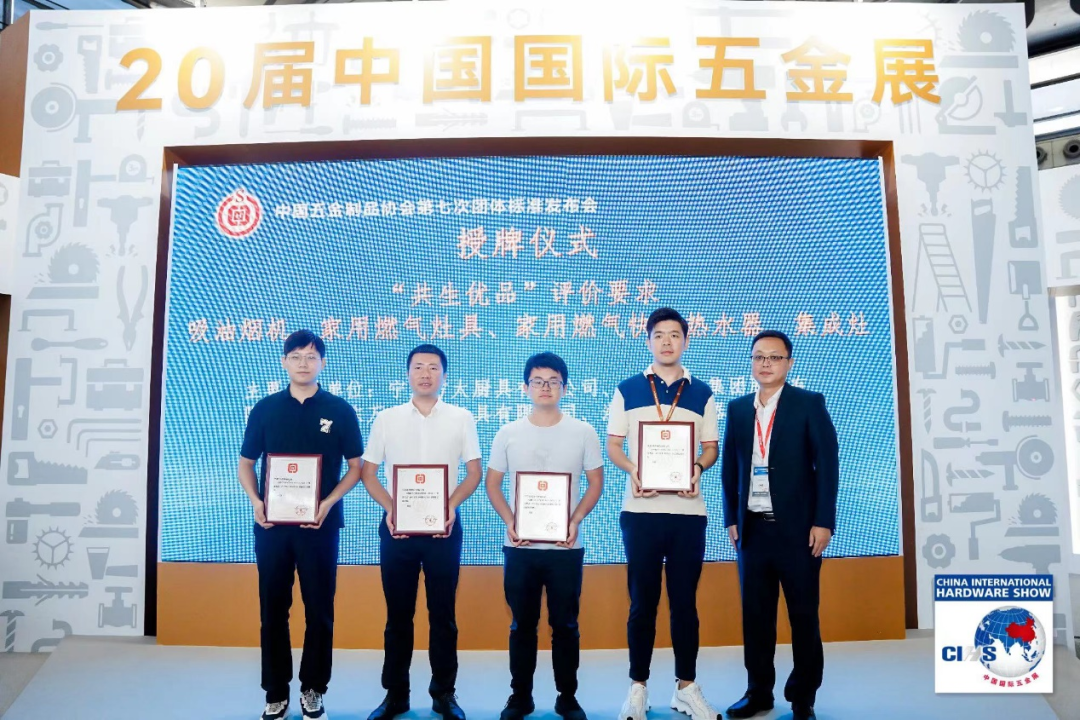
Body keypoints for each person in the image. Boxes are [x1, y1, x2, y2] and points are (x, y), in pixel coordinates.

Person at [239, 329, 365, 720]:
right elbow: (246, 464)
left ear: (322, 362)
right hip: (272, 527)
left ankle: (313, 689)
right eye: (295, 356)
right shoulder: (265, 409)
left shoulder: (340, 409)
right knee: (273, 610)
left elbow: (356, 467)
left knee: (319, 610)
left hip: (320, 527)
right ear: (284, 362)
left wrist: (327, 502)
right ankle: (276, 692)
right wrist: (256, 501)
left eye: (311, 357)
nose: (303, 363)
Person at [607, 307, 721, 720]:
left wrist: (697, 468)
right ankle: (638, 687)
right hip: (640, 512)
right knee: (642, 603)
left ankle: (686, 687)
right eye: (659, 335)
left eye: (675, 334)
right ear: (649, 341)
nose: (667, 341)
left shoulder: (702, 393)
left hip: (688, 513)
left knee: (684, 603)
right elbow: (613, 445)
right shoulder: (627, 389)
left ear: (685, 341)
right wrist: (634, 470)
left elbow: (711, 447)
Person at [721, 330, 839, 720]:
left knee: (803, 615)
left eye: (774, 357)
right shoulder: (738, 409)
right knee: (756, 617)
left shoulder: (809, 403)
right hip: (753, 531)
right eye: (759, 357)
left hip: (799, 531)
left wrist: (823, 522)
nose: (766, 363)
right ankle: (758, 692)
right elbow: (729, 469)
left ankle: (803, 697)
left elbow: (828, 466)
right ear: (751, 363)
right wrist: (731, 518)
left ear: (789, 362)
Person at [360, 344, 482, 720]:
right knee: (398, 616)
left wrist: (450, 506)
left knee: (443, 615)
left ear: (444, 375)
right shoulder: (386, 418)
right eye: (418, 367)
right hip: (397, 530)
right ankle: (395, 695)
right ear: (408, 373)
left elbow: (474, 472)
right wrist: (391, 509)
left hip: (444, 529)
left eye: (433, 367)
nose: (425, 373)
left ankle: (443, 694)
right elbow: (368, 473)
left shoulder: (461, 418)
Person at [486, 352, 604, 720]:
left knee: (565, 625)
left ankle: (567, 697)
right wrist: (510, 521)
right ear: (526, 388)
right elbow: (492, 484)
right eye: (537, 381)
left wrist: (576, 519)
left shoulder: (583, 431)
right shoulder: (508, 432)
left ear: (565, 388)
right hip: (520, 547)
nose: (545, 387)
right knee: (522, 625)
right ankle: (520, 697)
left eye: (553, 381)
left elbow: (596, 483)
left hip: (566, 548)